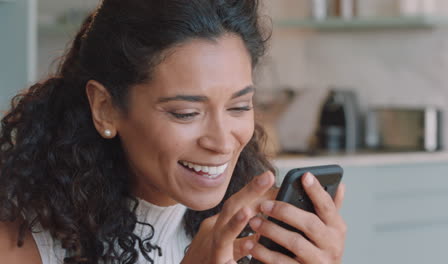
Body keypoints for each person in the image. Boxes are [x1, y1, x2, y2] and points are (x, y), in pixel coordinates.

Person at [0, 0, 347, 263]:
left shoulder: (249, 232)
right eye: (186, 113)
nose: (223, 141)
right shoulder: (19, 242)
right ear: (105, 108)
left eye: (239, 107)